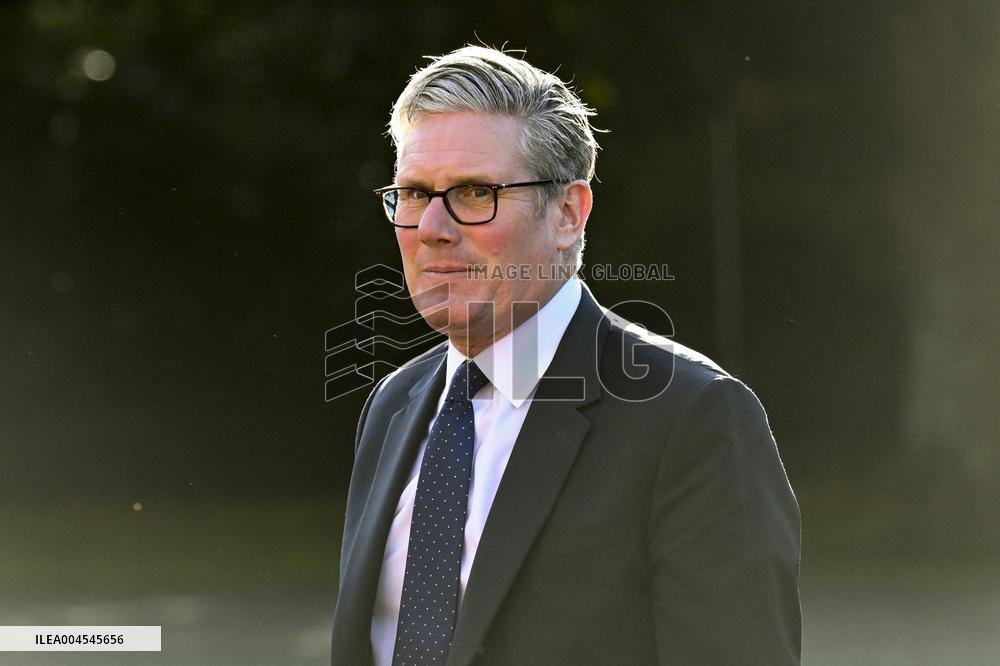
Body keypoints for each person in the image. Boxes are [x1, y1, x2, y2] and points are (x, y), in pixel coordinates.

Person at [331, 45, 800, 666]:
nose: (433, 228)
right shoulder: (395, 403)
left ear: (568, 215)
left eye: (475, 192)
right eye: (415, 194)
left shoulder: (693, 418)